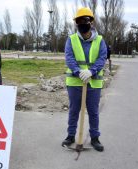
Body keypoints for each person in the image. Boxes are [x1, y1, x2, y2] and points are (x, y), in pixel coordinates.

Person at [62, 7, 107, 152]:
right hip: (75, 82)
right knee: (74, 110)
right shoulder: (71, 39)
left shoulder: (100, 40)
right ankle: (70, 136)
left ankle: (95, 138)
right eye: (80, 21)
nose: (83, 23)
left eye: (86, 20)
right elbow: (69, 58)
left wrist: (92, 71)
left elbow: (102, 58)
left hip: (94, 83)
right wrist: (78, 72)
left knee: (93, 111)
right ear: (76, 23)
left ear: (91, 22)